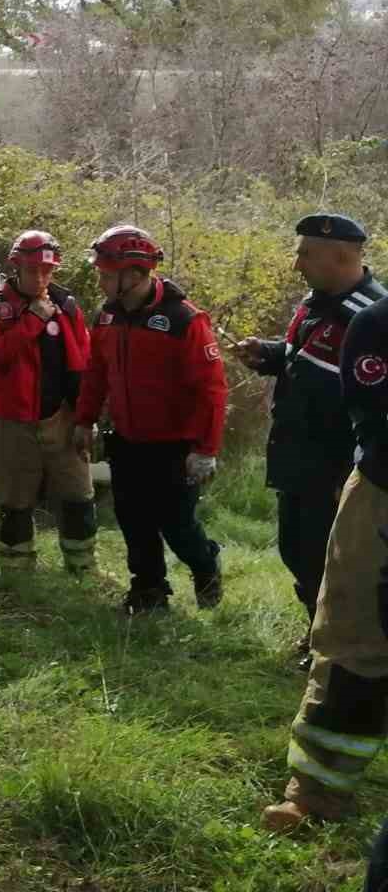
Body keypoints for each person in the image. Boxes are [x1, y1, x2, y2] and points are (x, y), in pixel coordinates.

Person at [264, 288, 388, 831]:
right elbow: (373, 420)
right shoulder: (376, 324)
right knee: (353, 639)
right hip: (383, 495)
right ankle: (316, 793)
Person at [236, 214, 384, 670]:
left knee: (334, 561)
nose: (296, 264)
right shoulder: (316, 303)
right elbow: (303, 357)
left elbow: (372, 407)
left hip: (336, 466)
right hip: (296, 455)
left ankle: (340, 651)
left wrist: (353, 472)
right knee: (297, 550)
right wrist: (268, 354)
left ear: (340, 256)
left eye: (305, 254)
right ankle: (318, 630)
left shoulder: (371, 317)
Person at [73, 225, 227, 615]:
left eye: (107, 274)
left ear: (136, 274)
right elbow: (96, 373)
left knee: (177, 524)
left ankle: (205, 564)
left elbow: (212, 390)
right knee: (133, 520)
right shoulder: (107, 316)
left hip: (174, 445)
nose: (101, 282)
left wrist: (206, 449)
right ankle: (148, 591)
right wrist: (84, 420)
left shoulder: (184, 319)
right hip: (126, 440)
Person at [0, 230, 96, 573]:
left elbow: (84, 363)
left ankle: (83, 569)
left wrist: (86, 417)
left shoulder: (67, 305)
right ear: (17, 267)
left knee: (78, 495)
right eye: (33, 271)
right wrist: (33, 320)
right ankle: (16, 572)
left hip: (63, 418)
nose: (41, 278)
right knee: (14, 500)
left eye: (47, 271)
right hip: (12, 422)